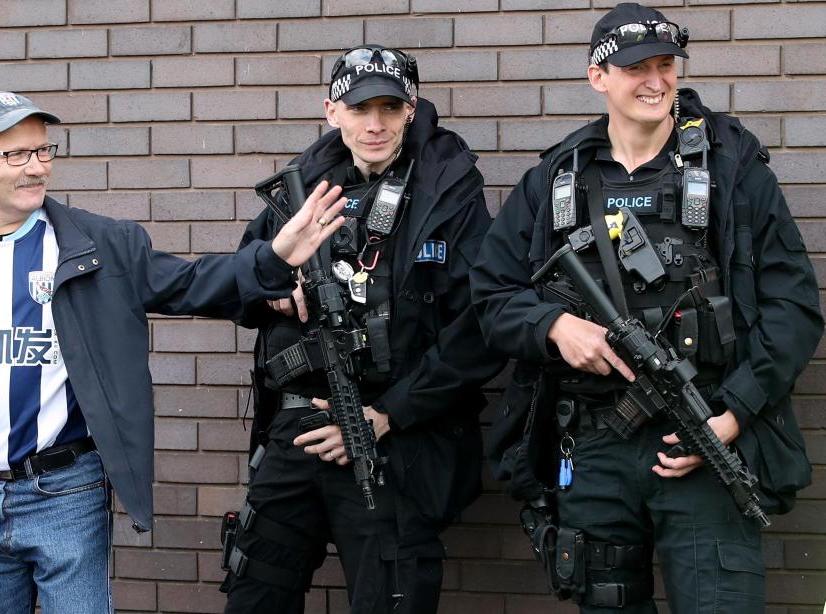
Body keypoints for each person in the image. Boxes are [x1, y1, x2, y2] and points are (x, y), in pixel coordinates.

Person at [0, 91, 347, 614]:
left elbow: (191, 283)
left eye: (42, 151)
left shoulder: (98, 244)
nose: (36, 167)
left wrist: (274, 258)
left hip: (65, 494)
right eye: (16, 154)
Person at [471, 4, 823, 612]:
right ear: (597, 76)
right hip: (594, 443)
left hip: (705, 434)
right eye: (636, 67)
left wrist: (734, 415)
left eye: (666, 65)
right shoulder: (557, 179)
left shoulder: (731, 168)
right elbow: (492, 294)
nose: (656, 80)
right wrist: (553, 325)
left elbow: (793, 306)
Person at [219, 45, 503, 613]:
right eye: (359, 108)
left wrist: (384, 416)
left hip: (391, 438)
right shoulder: (302, 189)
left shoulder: (448, 191)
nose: (374, 124)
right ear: (332, 111)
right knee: (255, 593)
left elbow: (478, 328)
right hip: (298, 428)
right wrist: (279, 291)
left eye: (389, 108)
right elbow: (242, 282)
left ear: (410, 109)